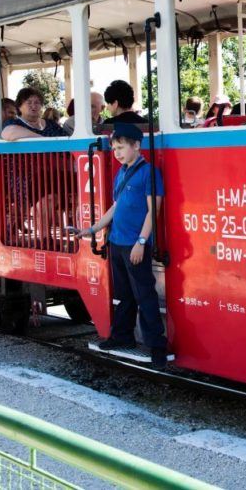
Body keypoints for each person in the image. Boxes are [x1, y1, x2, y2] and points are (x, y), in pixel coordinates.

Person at [72, 123, 168, 367]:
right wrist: (93, 229)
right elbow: (115, 207)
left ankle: (156, 345)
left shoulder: (149, 172)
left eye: (121, 147)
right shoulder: (122, 173)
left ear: (137, 145)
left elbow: (152, 210)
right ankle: (122, 337)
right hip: (117, 242)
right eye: (114, 148)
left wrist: (141, 242)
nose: (117, 152)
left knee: (144, 294)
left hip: (135, 244)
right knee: (124, 295)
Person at [0, 88, 66, 140]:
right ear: (19, 106)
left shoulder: (51, 124)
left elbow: (67, 138)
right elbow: (8, 133)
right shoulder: (13, 122)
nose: (33, 106)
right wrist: (44, 141)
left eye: (37, 103)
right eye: (29, 103)